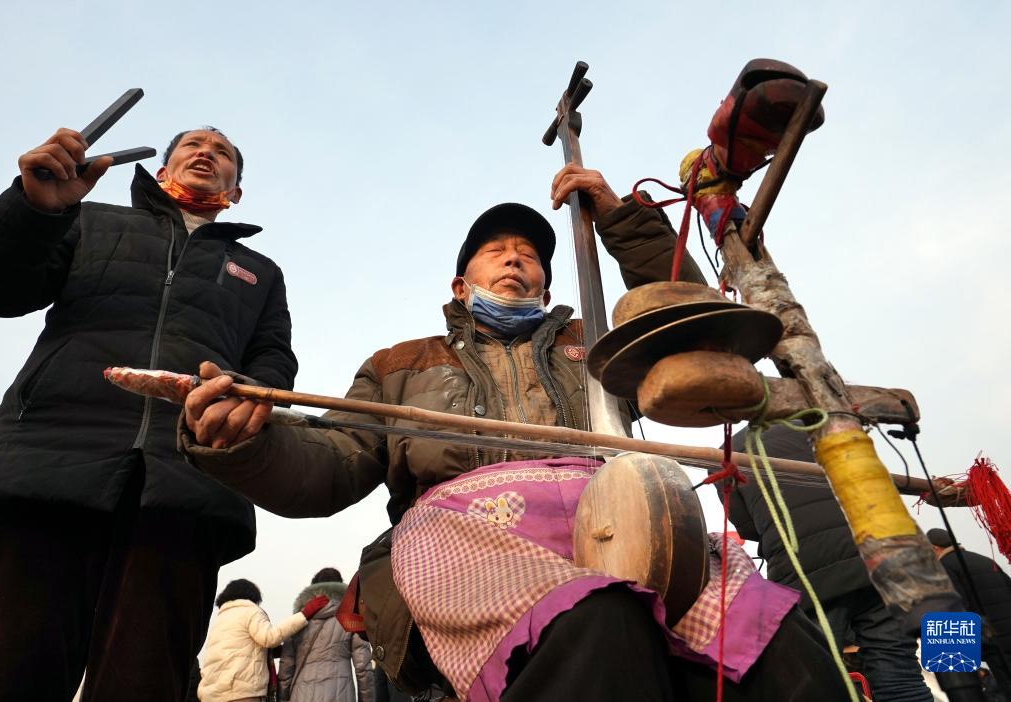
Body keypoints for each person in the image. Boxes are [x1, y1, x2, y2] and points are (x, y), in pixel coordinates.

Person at [180, 165, 849, 701]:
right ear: (459, 284)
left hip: (621, 518)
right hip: (467, 540)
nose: (514, 260)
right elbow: (331, 461)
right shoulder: (399, 364)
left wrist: (620, 221)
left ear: (546, 285)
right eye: (495, 252)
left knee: (770, 636)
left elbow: (687, 322)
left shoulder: (600, 345)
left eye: (529, 255)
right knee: (595, 620)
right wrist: (246, 442)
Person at [0, 126, 298, 702]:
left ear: (236, 190)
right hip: (46, 461)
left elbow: (274, 359)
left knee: (145, 679)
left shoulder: (260, 271)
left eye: (222, 152)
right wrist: (34, 209)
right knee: (9, 667)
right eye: (192, 145)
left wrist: (247, 397)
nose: (206, 152)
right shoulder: (87, 219)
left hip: (187, 480)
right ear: (161, 169)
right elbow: (0, 289)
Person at [715, 425, 936, 701]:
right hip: (881, 558)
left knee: (818, 681)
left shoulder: (728, 452)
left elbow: (746, 526)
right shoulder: (819, 428)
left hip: (809, 573)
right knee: (901, 678)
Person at [199, 579, 328, 702]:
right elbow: (269, 638)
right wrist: (304, 614)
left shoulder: (220, 619)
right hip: (242, 692)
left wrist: (279, 651)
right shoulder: (250, 611)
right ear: (252, 596)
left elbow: (242, 648)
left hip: (212, 694)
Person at [928, 527, 1011, 694]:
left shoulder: (945, 567)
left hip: (995, 644)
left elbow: (956, 612)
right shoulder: (985, 560)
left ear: (934, 548)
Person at [278, 568, 374, 702]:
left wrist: (282, 698)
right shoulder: (351, 619)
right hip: (340, 695)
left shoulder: (298, 621)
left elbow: (285, 670)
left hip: (301, 695)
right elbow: (363, 668)